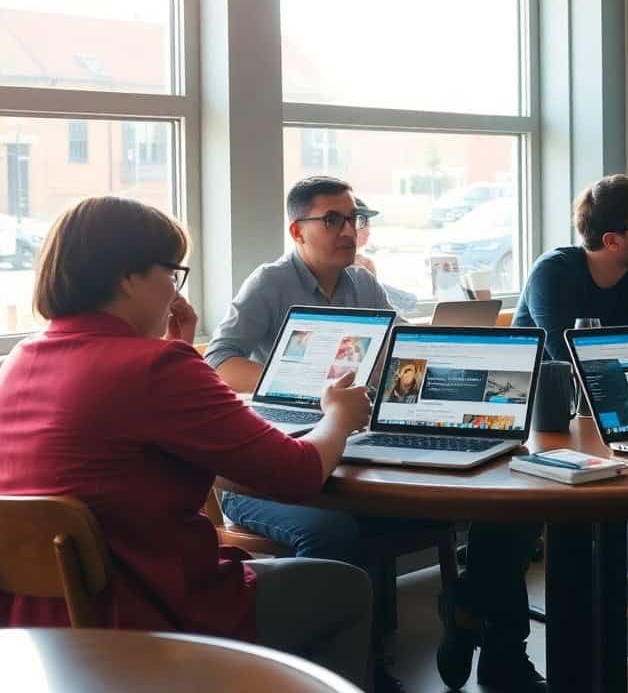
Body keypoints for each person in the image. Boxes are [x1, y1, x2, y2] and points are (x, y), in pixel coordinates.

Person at [0, 197, 374, 688]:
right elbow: (297, 473)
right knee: (345, 588)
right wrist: (338, 418)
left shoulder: (20, 360)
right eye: (172, 272)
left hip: (37, 627)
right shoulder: (155, 369)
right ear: (127, 277)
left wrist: (172, 348)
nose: (176, 290)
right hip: (151, 615)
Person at [206, 176, 544, 692]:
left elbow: (401, 351)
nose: (349, 231)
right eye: (333, 220)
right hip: (272, 462)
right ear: (298, 230)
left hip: (353, 447)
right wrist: (300, 390)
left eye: (354, 219)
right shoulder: (270, 282)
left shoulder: (362, 284)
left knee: (507, 505)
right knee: (329, 531)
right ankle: (352, 673)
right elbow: (220, 361)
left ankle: (490, 635)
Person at [513, 174, 628, 676]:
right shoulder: (555, 272)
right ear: (613, 240)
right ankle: (599, 618)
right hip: (540, 421)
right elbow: (564, 362)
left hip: (603, 414)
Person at [353, 196, 418, 313]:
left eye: (367, 223)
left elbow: (379, 312)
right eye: (361, 222)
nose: (368, 231)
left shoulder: (365, 267)